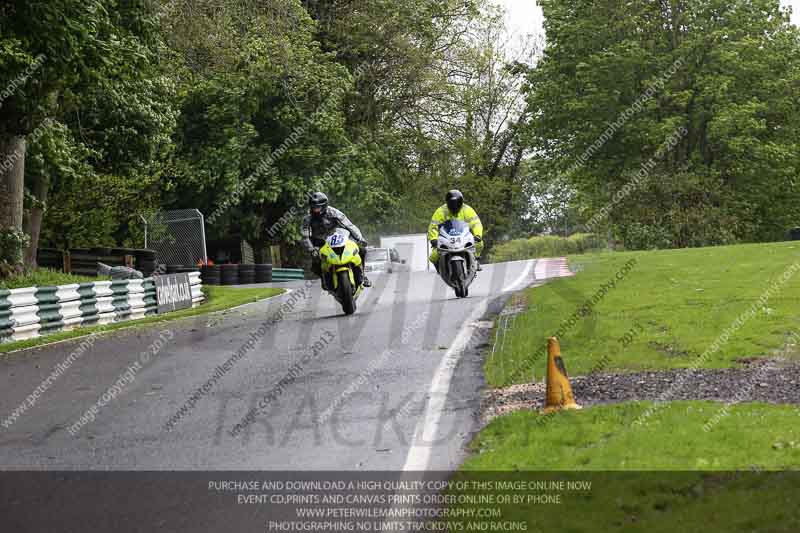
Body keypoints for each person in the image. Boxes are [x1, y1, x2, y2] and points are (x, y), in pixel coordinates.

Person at [301, 192, 372, 288]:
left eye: (317, 207)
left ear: (324, 206)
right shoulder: (307, 218)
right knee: (315, 262)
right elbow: (305, 237)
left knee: (362, 250)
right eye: (313, 207)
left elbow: (349, 225)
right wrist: (311, 249)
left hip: (337, 238)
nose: (315, 209)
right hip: (320, 242)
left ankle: (363, 276)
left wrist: (360, 238)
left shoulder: (334, 212)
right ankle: (324, 278)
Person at [428, 189, 484, 271]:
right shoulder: (441, 211)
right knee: (433, 256)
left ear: (461, 203)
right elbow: (433, 227)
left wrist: (478, 235)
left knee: (479, 244)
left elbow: (476, 223)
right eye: (452, 205)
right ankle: (439, 267)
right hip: (445, 238)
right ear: (447, 204)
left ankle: (476, 260)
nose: (455, 207)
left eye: (457, 205)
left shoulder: (467, 209)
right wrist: (433, 239)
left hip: (463, 237)